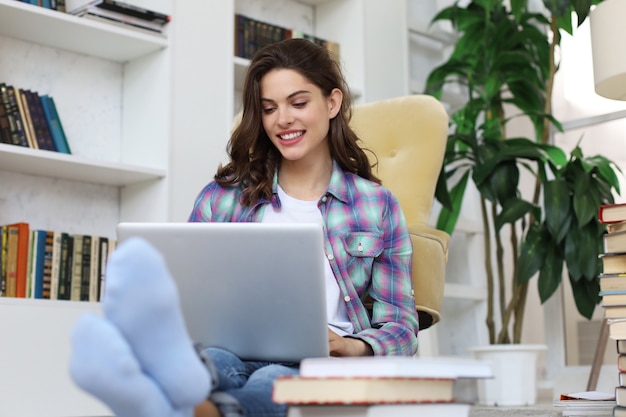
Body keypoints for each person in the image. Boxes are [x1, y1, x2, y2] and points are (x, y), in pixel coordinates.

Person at [69, 38, 419, 417]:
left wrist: (352, 346)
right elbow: (188, 296)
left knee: (270, 380)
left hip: (316, 359)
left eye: (298, 103)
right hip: (224, 348)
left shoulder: (376, 206)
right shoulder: (223, 197)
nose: (282, 119)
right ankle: (179, 384)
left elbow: (401, 326)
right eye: (269, 109)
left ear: (332, 103)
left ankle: (181, 403)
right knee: (212, 362)